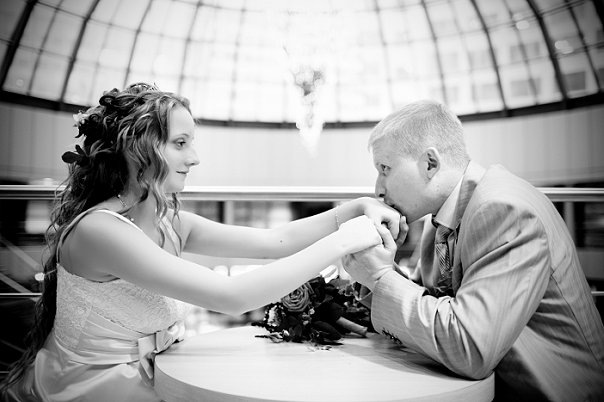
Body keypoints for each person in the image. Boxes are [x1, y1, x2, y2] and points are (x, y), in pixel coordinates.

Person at [0, 83, 400, 402]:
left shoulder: (171, 223)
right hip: (93, 389)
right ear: (138, 148)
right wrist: (343, 242)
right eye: (180, 143)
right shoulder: (99, 231)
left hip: (156, 374)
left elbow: (275, 240)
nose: (194, 158)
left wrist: (353, 209)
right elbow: (231, 297)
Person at [343, 100, 604, 401]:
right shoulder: (442, 218)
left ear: (430, 163)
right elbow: (438, 308)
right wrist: (376, 271)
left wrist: (380, 276)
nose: (378, 189)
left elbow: (469, 347)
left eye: (385, 169)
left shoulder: (504, 210)